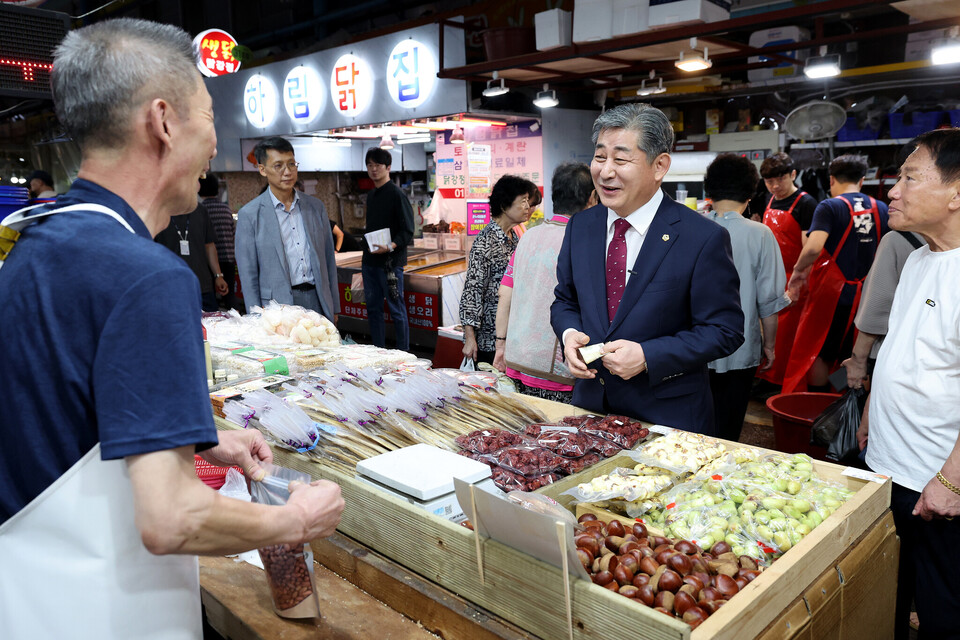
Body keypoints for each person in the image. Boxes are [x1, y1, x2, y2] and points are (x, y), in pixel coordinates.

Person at [0, 18, 343, 638]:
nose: (216, 144)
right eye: (209, 117)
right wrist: (295, 520)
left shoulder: (37, 242)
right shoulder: (147, 276)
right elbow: (171, 517)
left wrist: (199, 434)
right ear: (163, 121)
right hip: (109, 612)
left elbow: (61, 404)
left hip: (28, 597)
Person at [551, 103, 744, 434]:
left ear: (659, 166)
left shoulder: (701, 237)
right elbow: (565, 300)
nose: (606, 171)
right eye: (600, 157)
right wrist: (569, 335)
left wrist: (648, 355)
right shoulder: (581, 226)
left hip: (667, 419)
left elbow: (724, 330)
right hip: (592, 412)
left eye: (621, 159)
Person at [857, 128, 960, 640]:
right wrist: (874, 407)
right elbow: (899, 344)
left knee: (944, 605)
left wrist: (951, 480)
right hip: (891, 466)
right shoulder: (919, 257)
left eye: (909, 177)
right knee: (885, 591)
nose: (892, 191)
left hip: (939, 484)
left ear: (956, 192)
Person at [784, 155, 889, 393]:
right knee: (852, 350)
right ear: (862, 180)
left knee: (822, 350)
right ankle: (841, 401)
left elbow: (813, 247)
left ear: (831, 179)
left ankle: (818, 404)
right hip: (868, 295)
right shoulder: (881, 207)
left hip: (833, 296)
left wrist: (798, 272)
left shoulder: (830, 206)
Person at [493, 163, 597, 402]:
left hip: (517, 361)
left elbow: (504, 294)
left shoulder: (529, 235)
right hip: (557, 372)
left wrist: (501, 346)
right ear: (592, 198)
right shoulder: (583, 241)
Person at [703, 153, 790, 443]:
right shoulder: (761, 234)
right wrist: (769, 346)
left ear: (709, 190)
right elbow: (769, 299)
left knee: (693, 425)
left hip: (690, 349)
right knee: (727, 428)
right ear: (751, 192)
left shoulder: (690, 227)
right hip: (740, 347)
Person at [236, 137, 339, 320]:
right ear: (262, 169)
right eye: (278, 166)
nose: (287, 172)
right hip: (276, 309)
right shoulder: (250, 214)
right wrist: (255, 319)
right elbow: (248, 274)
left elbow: (328, 260)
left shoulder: (315, 207)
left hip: (318, 301)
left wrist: (334, 307)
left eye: (291, 164)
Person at [756, 152, 819, 385]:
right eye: (769, 181)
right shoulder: (767, 199)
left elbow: (808, 248)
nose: (774, 186)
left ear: (793, 174)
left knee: (786, 334)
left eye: (779, 179)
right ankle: (763, 376)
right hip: (769, 275)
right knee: (765, 330)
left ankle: (779, 381)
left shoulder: (806, 203)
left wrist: (797, 282)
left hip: (794, 278)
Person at [460, 174, 536, 365]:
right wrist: (470, 337)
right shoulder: (486, 242)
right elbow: (472, 292)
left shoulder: (514, 238)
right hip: (489, 341)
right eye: (524, 201)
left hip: (512, 335)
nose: (528, 207)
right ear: (504, 206)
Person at [362, 147, 415, 350]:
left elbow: (408, 230)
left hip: (390, 264)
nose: (374, 169)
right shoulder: (372, 196)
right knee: (373, 309)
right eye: (370, 165)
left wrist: (390, 246)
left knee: (396, 309)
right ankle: (378, 350)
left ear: (388, 168)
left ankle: (404, 353)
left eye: (378, 165)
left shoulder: (396, 195)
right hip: (370, 262)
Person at [155, 202, 228, 312]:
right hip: (170, 285)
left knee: (210, 323)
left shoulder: (200, 210)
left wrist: (218, 275)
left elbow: (209, 245)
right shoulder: (158, 211)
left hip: (202, 285)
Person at [200, 173, 240, 311]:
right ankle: (235, 321)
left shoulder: (202, 209)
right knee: (229, 296)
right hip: (228, 258)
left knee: (211, 296)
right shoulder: (225, 209)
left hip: (209, 262)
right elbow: (234, 234)